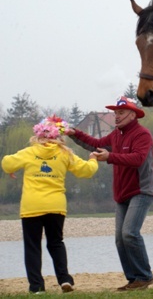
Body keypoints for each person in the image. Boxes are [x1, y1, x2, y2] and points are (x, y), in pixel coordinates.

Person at [67, 96, 153, 291]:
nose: (117, 116)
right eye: (115, 113)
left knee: (129, 233)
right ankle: (134, 280)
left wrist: (110, 157)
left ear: (133, 115)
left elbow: (138, 159)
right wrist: (74, 133)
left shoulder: (143, 134)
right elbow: (95, 143)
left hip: (141, 190)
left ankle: (145, 276)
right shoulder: (115, 135)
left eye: (121, 113)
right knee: (120, 238)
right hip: (122, 193)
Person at [1, 115, 98, 294]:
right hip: (56, 206)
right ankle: (64, 279)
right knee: (56, 243)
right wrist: (92, 159)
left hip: (32, 207)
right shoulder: (64, 154)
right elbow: (86, 171)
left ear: (38, 134)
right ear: (59, 136)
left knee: (32, 246)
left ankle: (37, 287)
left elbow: (6, 163)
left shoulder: (29, 153)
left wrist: (12, 168)